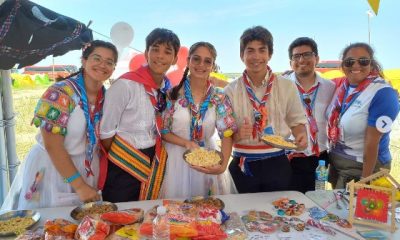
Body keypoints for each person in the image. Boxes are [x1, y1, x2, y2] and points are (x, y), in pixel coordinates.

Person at [1, 40, 118, 210]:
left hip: (86, 167)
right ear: (84, 61)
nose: (102, 65)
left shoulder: (107, 98)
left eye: (109, 62)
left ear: (114, 68)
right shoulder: (61, 93)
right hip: (53, 166)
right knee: (50, 225)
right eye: (97, 58)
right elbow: (52, 145)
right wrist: (79, 186)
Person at [99, 28, 180, 202]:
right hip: (123, 161)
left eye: (167, 52)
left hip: (153, 158)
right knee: (121, 216)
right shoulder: (125, 85)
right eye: (155, 49)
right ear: (146, 53)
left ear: (174, 59)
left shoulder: (166, 88)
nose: (160, 56)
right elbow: (105, 132)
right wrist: (122, 156)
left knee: (146, 215)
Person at [224, 26, 308, 193]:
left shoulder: (287, 86)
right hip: (243, 164)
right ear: (242, 55)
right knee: (242, 214)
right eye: (250, 51)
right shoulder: (230, 90)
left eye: (262, 50)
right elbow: (226, 133)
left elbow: (297, 122)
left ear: (270, 54)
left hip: (277, 163)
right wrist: (238, 134)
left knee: (278, 215)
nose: (256, 57)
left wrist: (300, 135)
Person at [160, 42, 237, 198]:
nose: (201, 65)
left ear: (213, 66)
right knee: (178, 215)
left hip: (207, 158)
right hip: (176, 160)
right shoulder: (173, 95)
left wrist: (222, 166)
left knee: (208, 213)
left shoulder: (219, 96)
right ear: (188, 61)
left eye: (207, 61)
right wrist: (186, 143)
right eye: (196, 59)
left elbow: (227, 132)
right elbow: (164, 131)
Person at [327, 42, 399, 189]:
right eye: (349, 62)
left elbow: (373, 143)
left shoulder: (382, 93)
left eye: (363, 61)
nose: (356, 65)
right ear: (343, 65)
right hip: (338, 164)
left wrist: (364, 181)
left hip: (364, 168)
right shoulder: (343, 86)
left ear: (371, 64)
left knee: (354, 211)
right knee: (336, 210)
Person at [284, 37, 335, 193]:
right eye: (296, 56)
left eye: (307, 55)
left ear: (316, 58)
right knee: (290, 203)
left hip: (319, 158)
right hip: (290, 156)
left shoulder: (330, 87)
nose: (302, 60)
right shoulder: (281, 85)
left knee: (317, 197)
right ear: (290, 62)